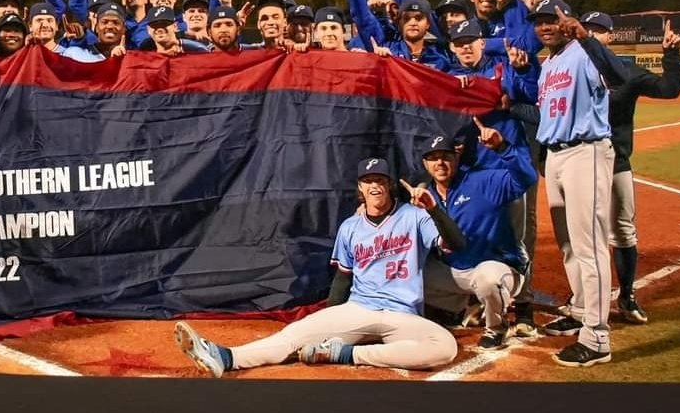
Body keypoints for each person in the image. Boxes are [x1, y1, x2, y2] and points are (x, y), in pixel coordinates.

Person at [174, 158, 465, 376]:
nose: (374, 185)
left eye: (380, 179)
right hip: (360, 308)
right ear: (360, 188)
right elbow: (343, 279)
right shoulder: (350, 226)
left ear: (389, 184)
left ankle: (347, 354)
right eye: (368, 180)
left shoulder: (414, 215)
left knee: (444, 346)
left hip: (402, 313)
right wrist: (330, 320)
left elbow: (456, 244)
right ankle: (226, 357)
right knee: (295, 334)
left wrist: (433, 209)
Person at [529, 0, 628, 367]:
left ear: (566, 21)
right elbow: (545, 115)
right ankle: (582, 308)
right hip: (556, 156)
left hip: (586, 151)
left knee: (590, 246)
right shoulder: (548, 64)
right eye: (538, 21)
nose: (544, 26)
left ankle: (597, 337)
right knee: (569, 243)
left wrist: (585, 37)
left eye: (550, 19)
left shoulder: (584, 51)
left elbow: (619, 77)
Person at [581, 11, 680, 323]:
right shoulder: (572, 69)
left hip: (616, 161)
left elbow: (669, 88)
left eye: (599, 30)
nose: (592, 34)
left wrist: (672, 54)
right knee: (581, 235)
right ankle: (582, 300)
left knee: (623, 230)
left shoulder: (626, 70)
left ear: (610, 37)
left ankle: (626, 296)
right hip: (579, 161)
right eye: (587, 29)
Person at [419, 126, 538, 348]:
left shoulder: (483, 181)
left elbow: (527, 178)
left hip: (500, 268)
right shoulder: (427, 196)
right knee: (406, 273)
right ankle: (460, 307)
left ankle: (496, 328)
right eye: (433, 158)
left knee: (487, 278)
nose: (440, 163)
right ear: (425, 164)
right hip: (457, 272)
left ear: (457, 156)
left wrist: (503, 148)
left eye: (446, 157)